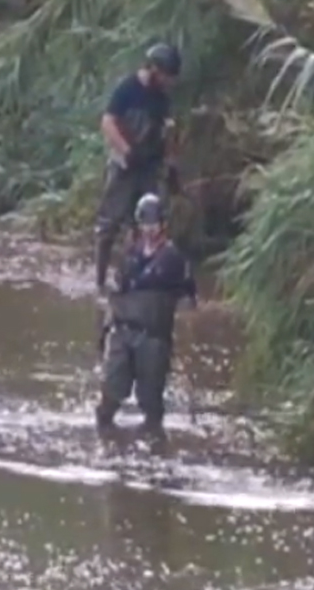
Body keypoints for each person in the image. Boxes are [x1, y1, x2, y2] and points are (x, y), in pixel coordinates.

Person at [96, 193, 197, 437]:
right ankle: (107, 442)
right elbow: (117, 291)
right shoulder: (130, 254)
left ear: (163, 224)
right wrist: (105, 328)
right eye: (144, 224)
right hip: (122, 331)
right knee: (109, 397)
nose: (149, 229)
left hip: (152, 336)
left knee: (151, 403)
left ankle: (155, 447)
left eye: (153, 224)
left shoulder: (172, 258)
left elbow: (187, 298)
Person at [94, 42, 182, 295]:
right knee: (108, 225)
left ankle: (137, 280)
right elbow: (108, 122)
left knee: (147, 224)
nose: (168, 81)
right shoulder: (128, 88)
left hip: (149, 167)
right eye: (166, 76)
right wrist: (126, 150)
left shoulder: (162, 98)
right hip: (124, 165)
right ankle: (99, 282)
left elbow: (169, 132)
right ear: (154, 69)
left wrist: (172, 165)